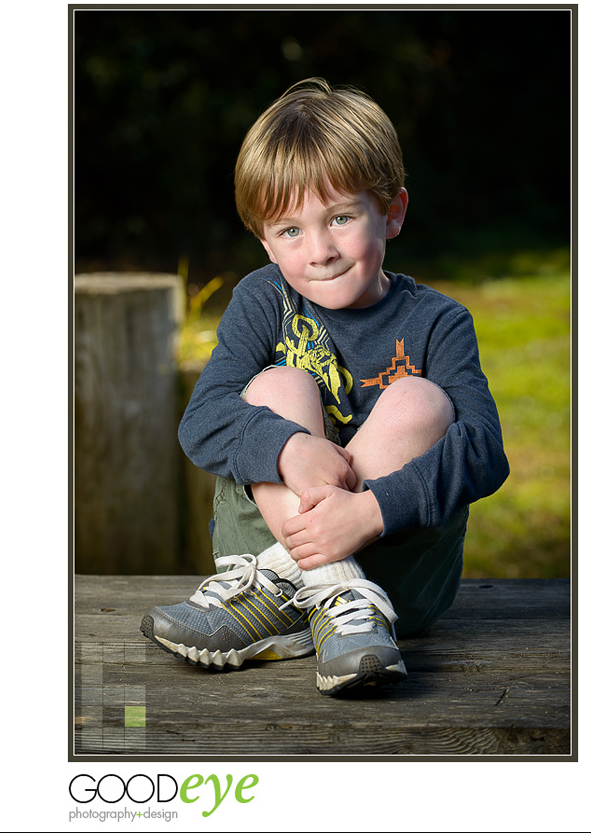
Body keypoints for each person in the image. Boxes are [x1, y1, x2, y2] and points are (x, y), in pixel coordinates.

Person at [141, 78, 509, 696]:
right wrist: (289, 447)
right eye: (290, 231)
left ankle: (315, 597)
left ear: (391, 213)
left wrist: (368, 511)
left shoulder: (439, 322)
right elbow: (200, 418)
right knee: (279, 385)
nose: (319, 251)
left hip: (398, 572)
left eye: (341, 218)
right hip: (263, 545)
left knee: (420, 400)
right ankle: (333, 595)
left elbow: (484, 451)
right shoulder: (264, 299)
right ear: (263, 239)